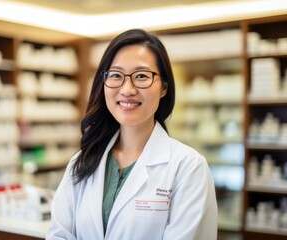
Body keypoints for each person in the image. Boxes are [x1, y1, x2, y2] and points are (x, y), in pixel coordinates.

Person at [46, 29, 217, 240]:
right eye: (116, 75)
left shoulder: (189, 168)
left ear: (164, 87)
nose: (127, 89)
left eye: (142, 76)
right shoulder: (82, 163)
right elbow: (58, 235)